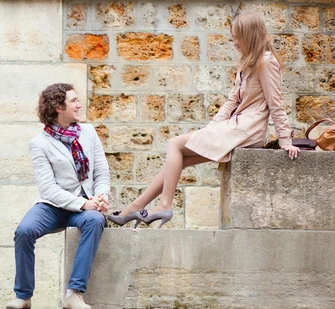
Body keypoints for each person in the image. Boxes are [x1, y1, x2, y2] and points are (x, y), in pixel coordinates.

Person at [108, 13, 300, 228]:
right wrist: (211, 128)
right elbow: (231, 100)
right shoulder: (247, 62)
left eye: (238, 37)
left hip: (247, 130)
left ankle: (163, 206)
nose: (235, 43)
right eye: (233, 38)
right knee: (180, 160)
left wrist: (285, 139)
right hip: (234, 127)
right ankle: (135, 206)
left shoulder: (266, 63)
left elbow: (276, 103)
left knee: (174, 144)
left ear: (250, 35)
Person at [6, 83, 110, 309]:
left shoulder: (89, 132)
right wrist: (83, 203)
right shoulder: (40, 143)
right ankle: (23, 295)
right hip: (54, 206)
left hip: (86, 206)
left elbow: (101, 172)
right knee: (24, 231)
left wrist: (101, 196)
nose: (79, 104)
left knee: (94, 221)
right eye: (73, 101)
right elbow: (48, 189)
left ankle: (74, 294)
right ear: (57, 107)